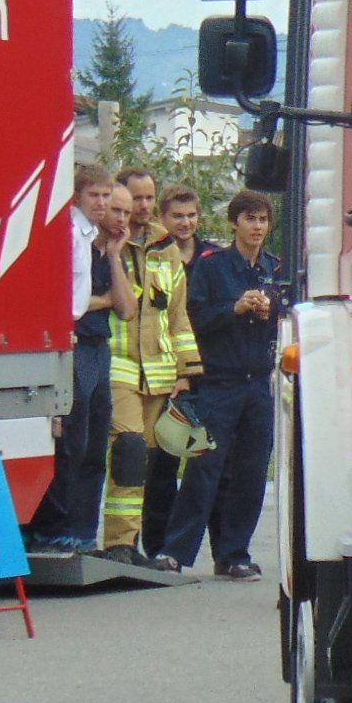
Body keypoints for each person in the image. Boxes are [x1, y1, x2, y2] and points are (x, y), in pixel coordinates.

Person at [156, 191, 283, 579]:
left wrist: (271, 310)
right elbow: (194, 319)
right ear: (234, 223)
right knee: (204, 468)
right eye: (250, 219)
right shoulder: (212, 266)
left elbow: (290, 316)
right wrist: (234, 309)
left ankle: (233, 554)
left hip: (258, 384)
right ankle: (175, 551)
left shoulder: (275, 268)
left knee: (250, 473)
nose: (257, 227)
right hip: (219, 381)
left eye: (262, 220)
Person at [32, 165, 132, 554]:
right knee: (71, 441)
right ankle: (57, 527)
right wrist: (102, 301)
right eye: (97, 197)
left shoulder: (102, 245)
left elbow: (126, 308)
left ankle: (84, 528)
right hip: (74, 342)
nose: (105, 206)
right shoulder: (71, 235)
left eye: (108, 198)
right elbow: (67, 301)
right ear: (76, 197)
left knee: (93, 445)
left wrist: (115, 258)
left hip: (98, 346)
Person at [101, 178, 200, 560]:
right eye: (136, 198)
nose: (142, 206)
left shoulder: (165, 247)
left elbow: (177, 315)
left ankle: (142, 546)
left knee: (153, 465)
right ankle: (120, 542)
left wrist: (185, 371)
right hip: (119, 365)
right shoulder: (109, 243)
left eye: (148, 198)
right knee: (129, 451)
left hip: (159, 374)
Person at [138, 185, 211, 558]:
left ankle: (189, 547)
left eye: (191, 215)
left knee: (205, 464)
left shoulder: (212, 257)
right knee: (160, 466)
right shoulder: (154, 256)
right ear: (162, 218)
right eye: (177, 216)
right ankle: (156, 546)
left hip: (205, 371)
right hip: (165, 375)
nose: (186, 223)